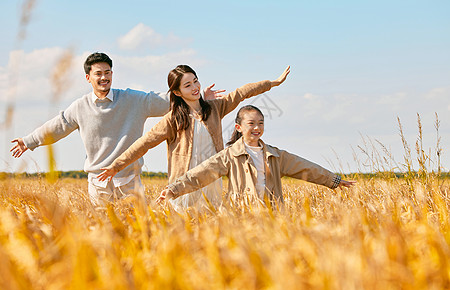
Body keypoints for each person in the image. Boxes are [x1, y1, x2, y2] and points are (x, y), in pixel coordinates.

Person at [10, 52, 223, 205]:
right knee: (102, 236)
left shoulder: (132, 99)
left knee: (137, 234)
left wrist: (199, 96)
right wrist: (29, 141)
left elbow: (166, 99)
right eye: (99, 73)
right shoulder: (80, 107)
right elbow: (58, 125)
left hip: (130, 180)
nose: (104, 77)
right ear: (88, 77)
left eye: (108, 72)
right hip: (98, 182)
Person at [97, 65, 290, 210]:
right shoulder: (173, 119)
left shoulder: (214, 108)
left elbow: (241, 93)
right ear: (177, 92)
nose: (195, 87)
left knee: (210, 227)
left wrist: (272, 83)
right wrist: (116, 166)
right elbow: (145, 142)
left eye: (196, 81)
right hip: (183, 183)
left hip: (210, 180)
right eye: (188, 85)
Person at [158, 105, 355, 209]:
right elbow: (200, 174)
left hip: (272, 215)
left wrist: (334, 180)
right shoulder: (229, 156)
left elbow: (306, 168)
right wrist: (174, 190)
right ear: (239, 127)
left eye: (260, 123)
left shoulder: (276, 156)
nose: (257, 128)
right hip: (241, 216)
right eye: (251, 123)